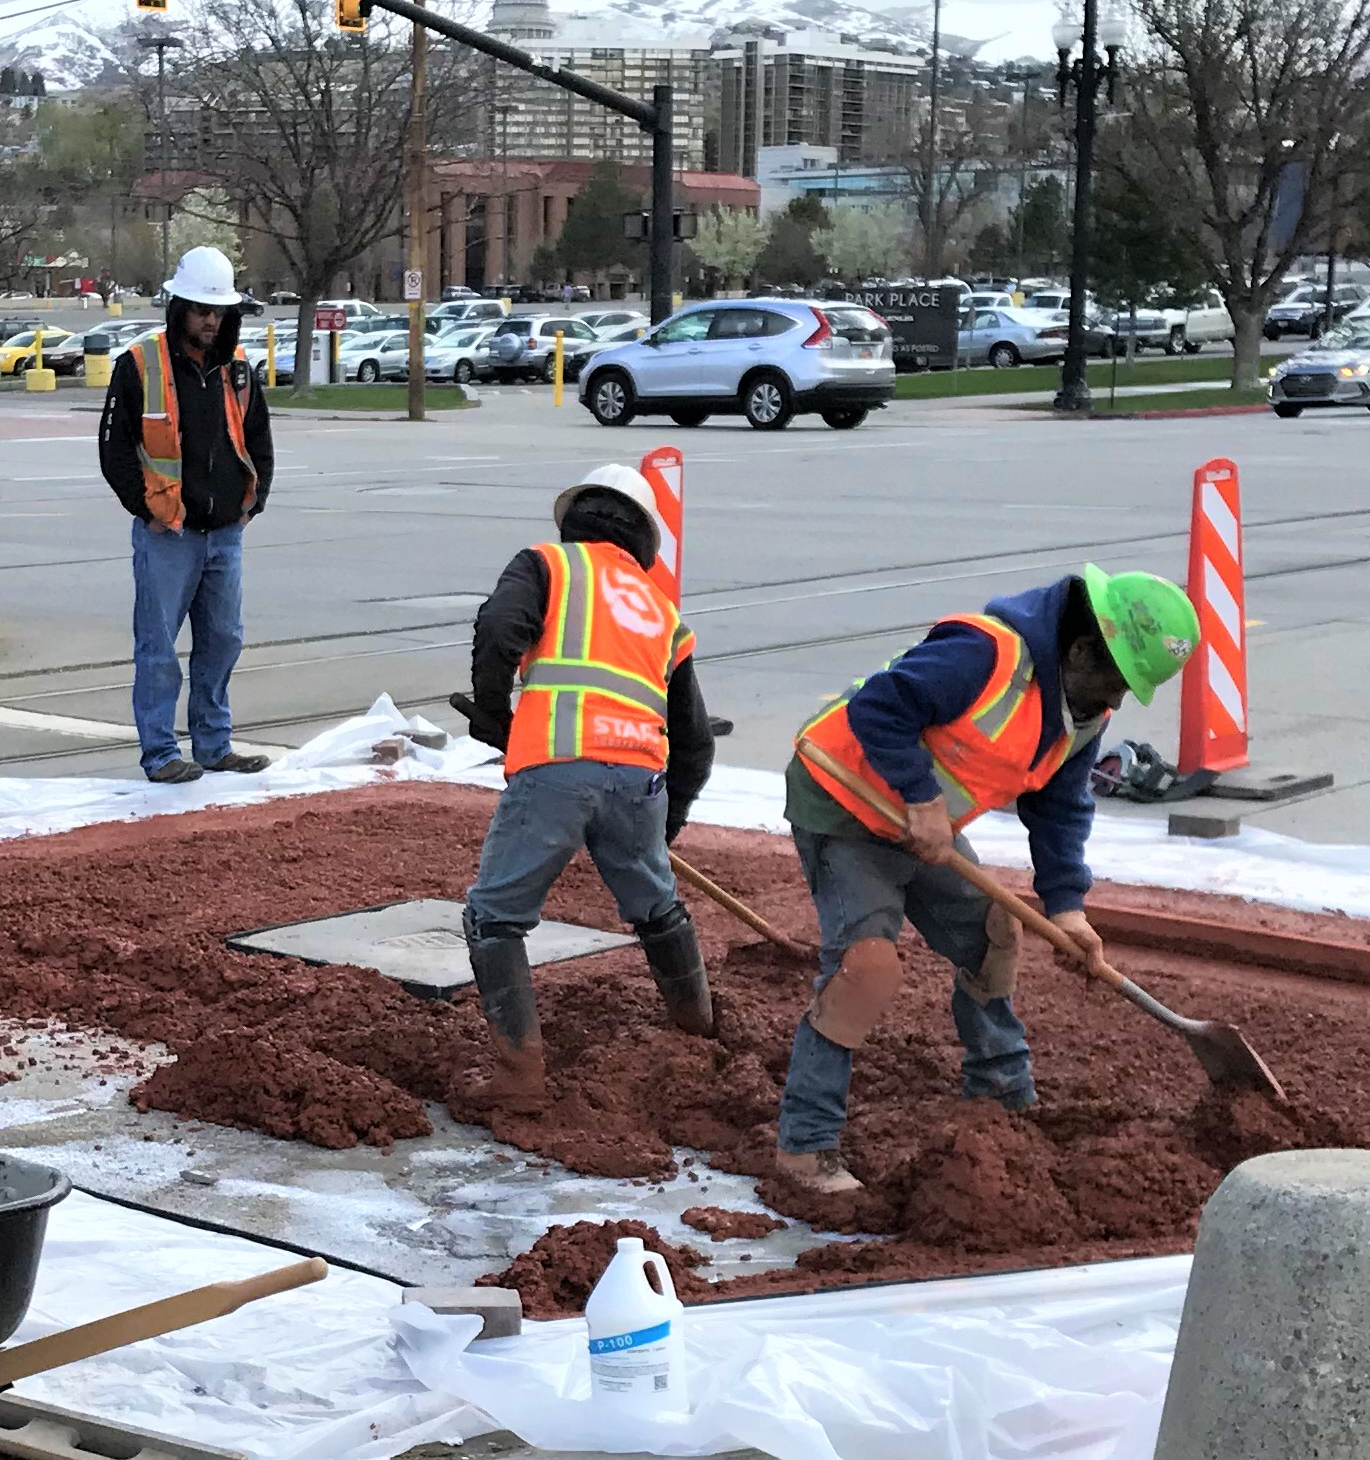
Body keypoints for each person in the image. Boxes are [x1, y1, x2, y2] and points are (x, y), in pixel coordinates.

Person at [775, 565, 1202, 1196]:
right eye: (1113, 682)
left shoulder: (1083, 708)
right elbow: (879, 706)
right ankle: (806, 1148)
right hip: (846, 803)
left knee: (996, 936)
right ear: (1083, 650)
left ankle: (1001, 1098)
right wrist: (920, 798)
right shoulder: (984, 653)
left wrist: (1067, 907)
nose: (1112, 702)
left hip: (925, 826)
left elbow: (1060, 806)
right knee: (865, 968)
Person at [459, 463, 720, 1098]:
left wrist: (495, 714)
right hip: (640, 779)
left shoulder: (549, 564)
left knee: (494, 918)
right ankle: (698, 1036)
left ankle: (518, 1076)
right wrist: (669, 822)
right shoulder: (661, 612)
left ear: (577, 519)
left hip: (558, 766)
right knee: (657, 906)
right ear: (644, 539)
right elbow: (696, 740)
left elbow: (499, 632)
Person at [99, 246, 276, 784]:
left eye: (218, 311)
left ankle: (214, 744)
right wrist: (145, 509)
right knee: (157, 649)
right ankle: (160, 754)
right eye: (202, 310)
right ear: (179, 308)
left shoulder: (239, 368)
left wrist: (253, 501)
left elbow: (259, 440)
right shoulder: (139, 365)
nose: (210, 320)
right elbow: (114, 449)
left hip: (224, 533)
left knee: (223, 639)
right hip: (168, 535)